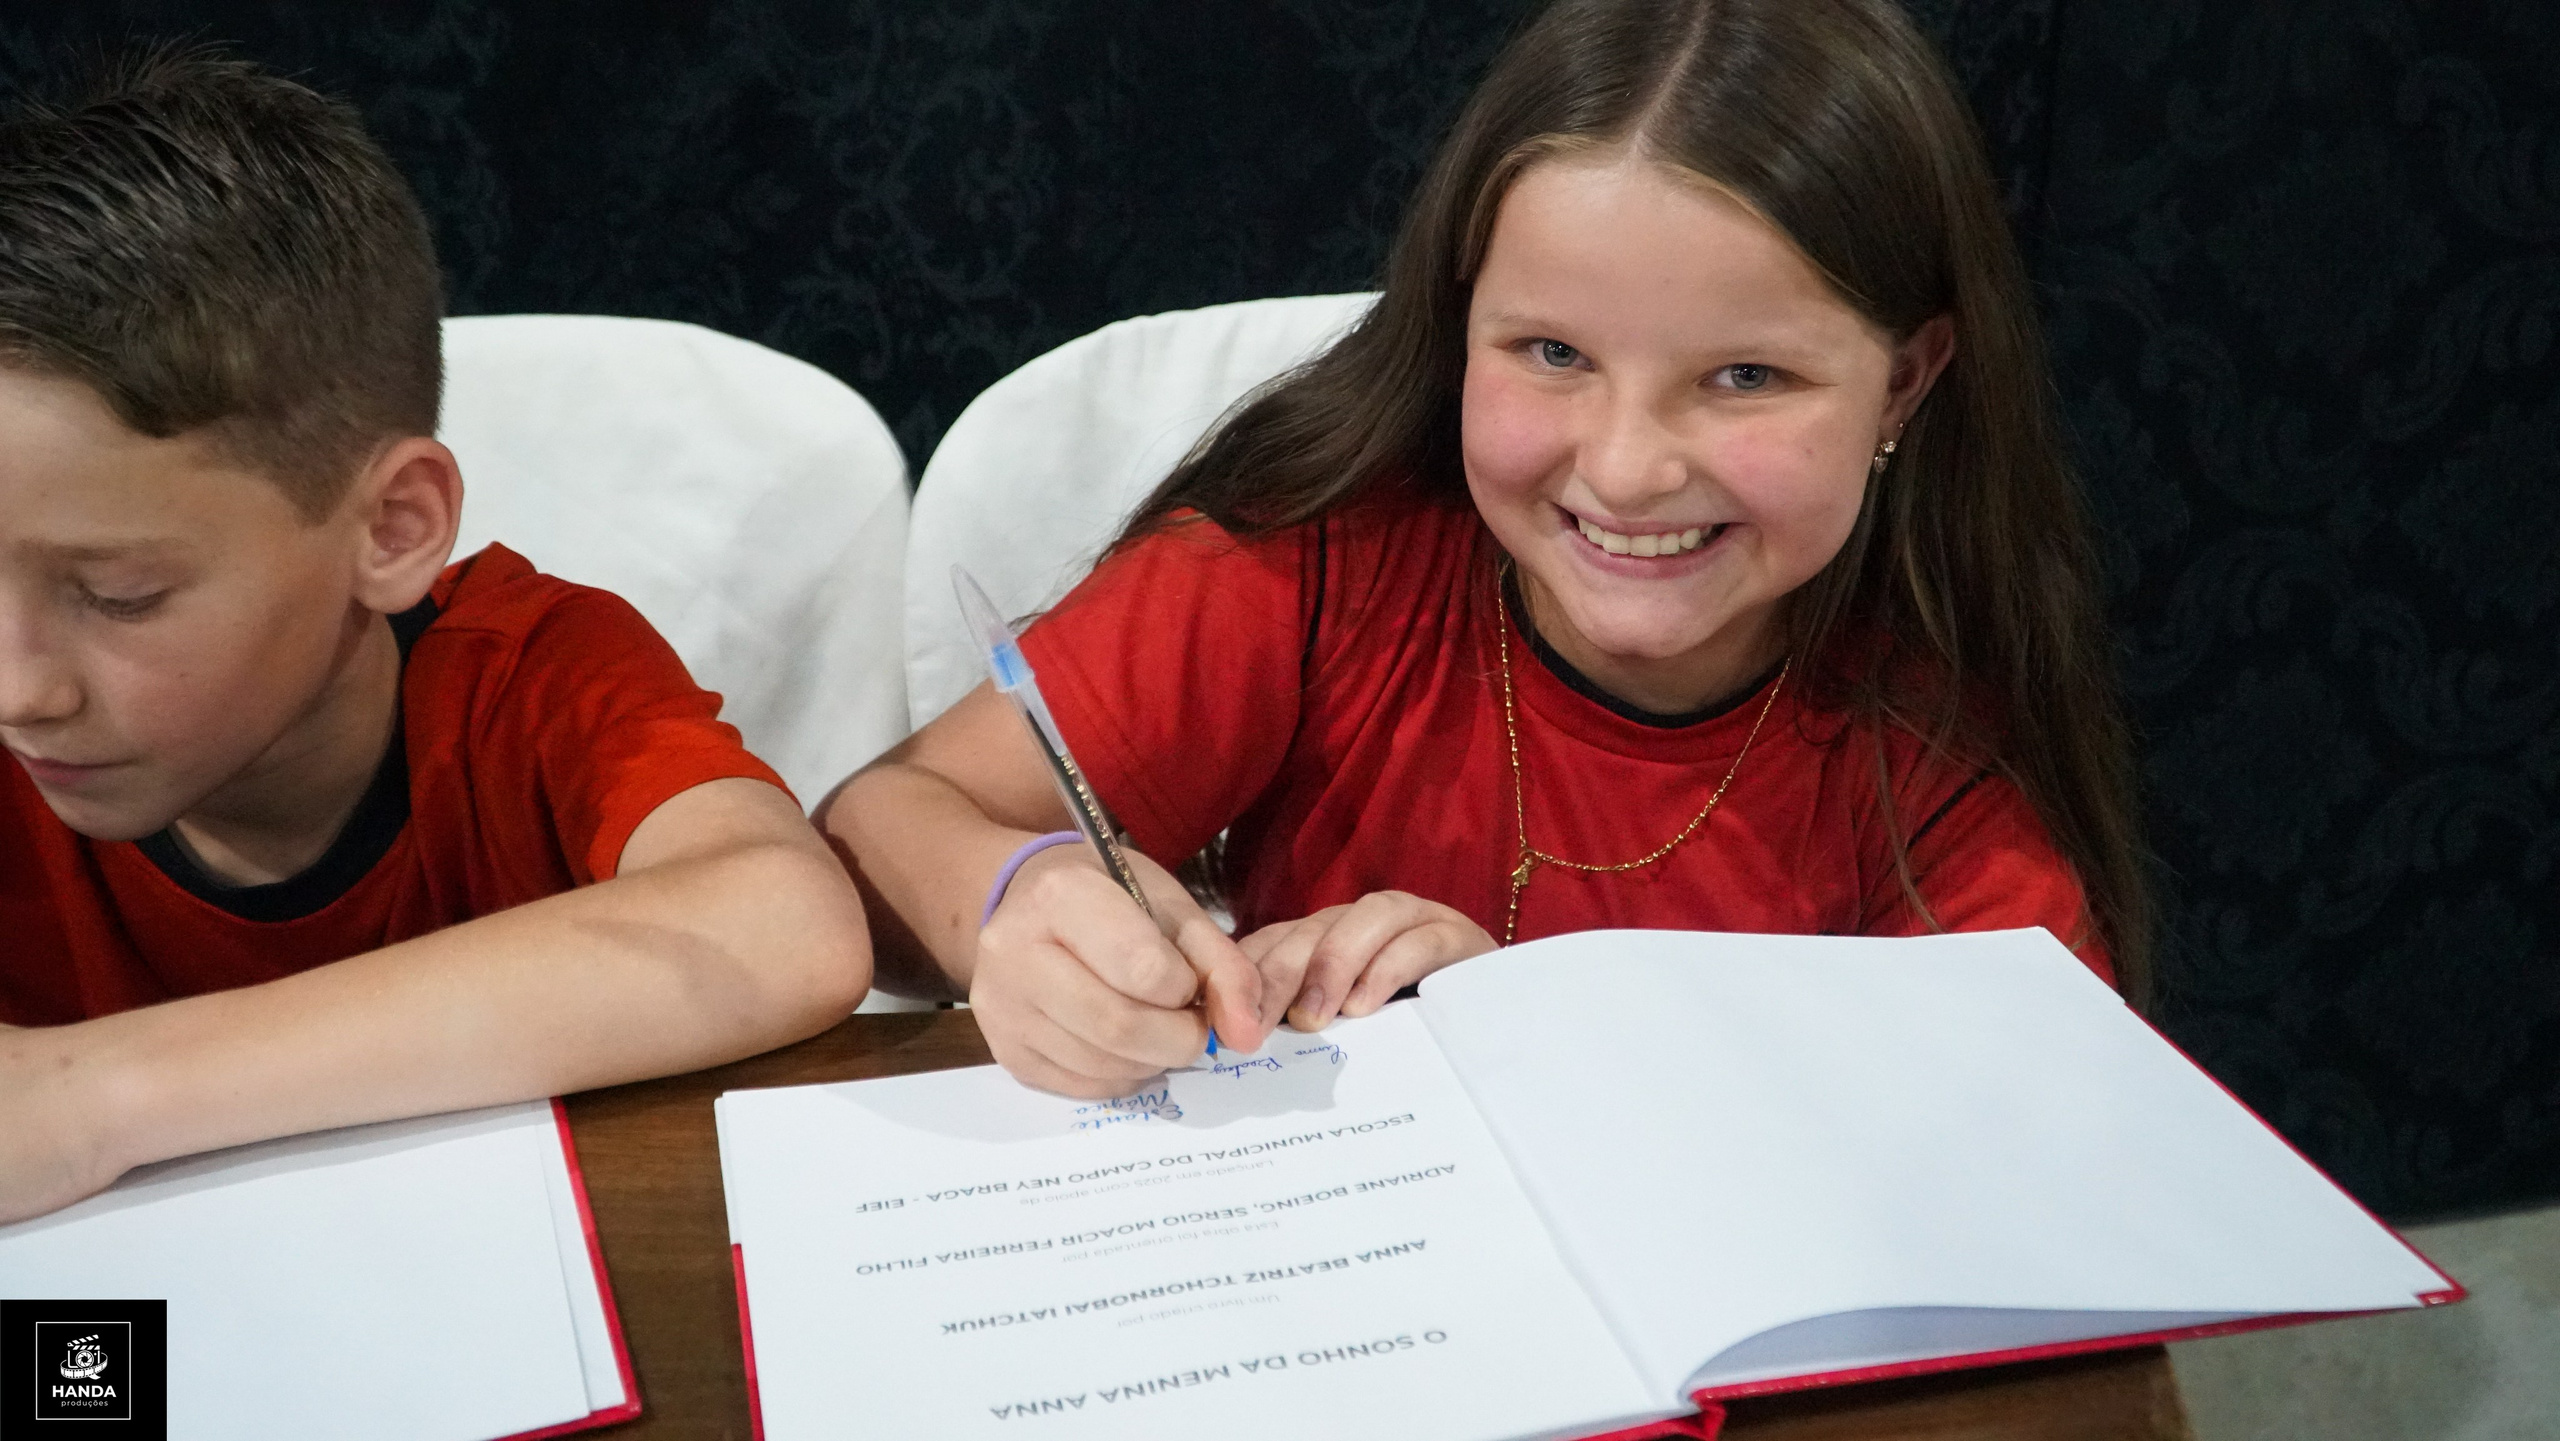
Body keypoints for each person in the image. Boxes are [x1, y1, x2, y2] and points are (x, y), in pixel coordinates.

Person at [824, 0, 2149, 1097]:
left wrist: (1539, 1028)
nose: (1627, 466)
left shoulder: (1931, 735)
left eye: (1745, 376)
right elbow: (874, 837)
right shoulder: (1316, 569)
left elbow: (2037, 1116)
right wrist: (1012, 899)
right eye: (1553, 354)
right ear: (1459, 325)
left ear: (1906, 386)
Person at [0, 50, 871, 1224]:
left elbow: (785, 926)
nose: (20, 689)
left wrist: (94, 1093)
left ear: (392, 527)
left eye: (117, 594)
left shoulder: (529, 678)